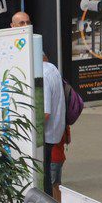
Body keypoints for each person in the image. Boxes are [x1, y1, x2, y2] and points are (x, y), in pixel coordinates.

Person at [41, 51, 66, 195]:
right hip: (56, 133)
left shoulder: (43, 75)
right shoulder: (52, 68)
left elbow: (45, 112)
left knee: (48, 181)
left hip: (46, 135)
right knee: (53, 180)